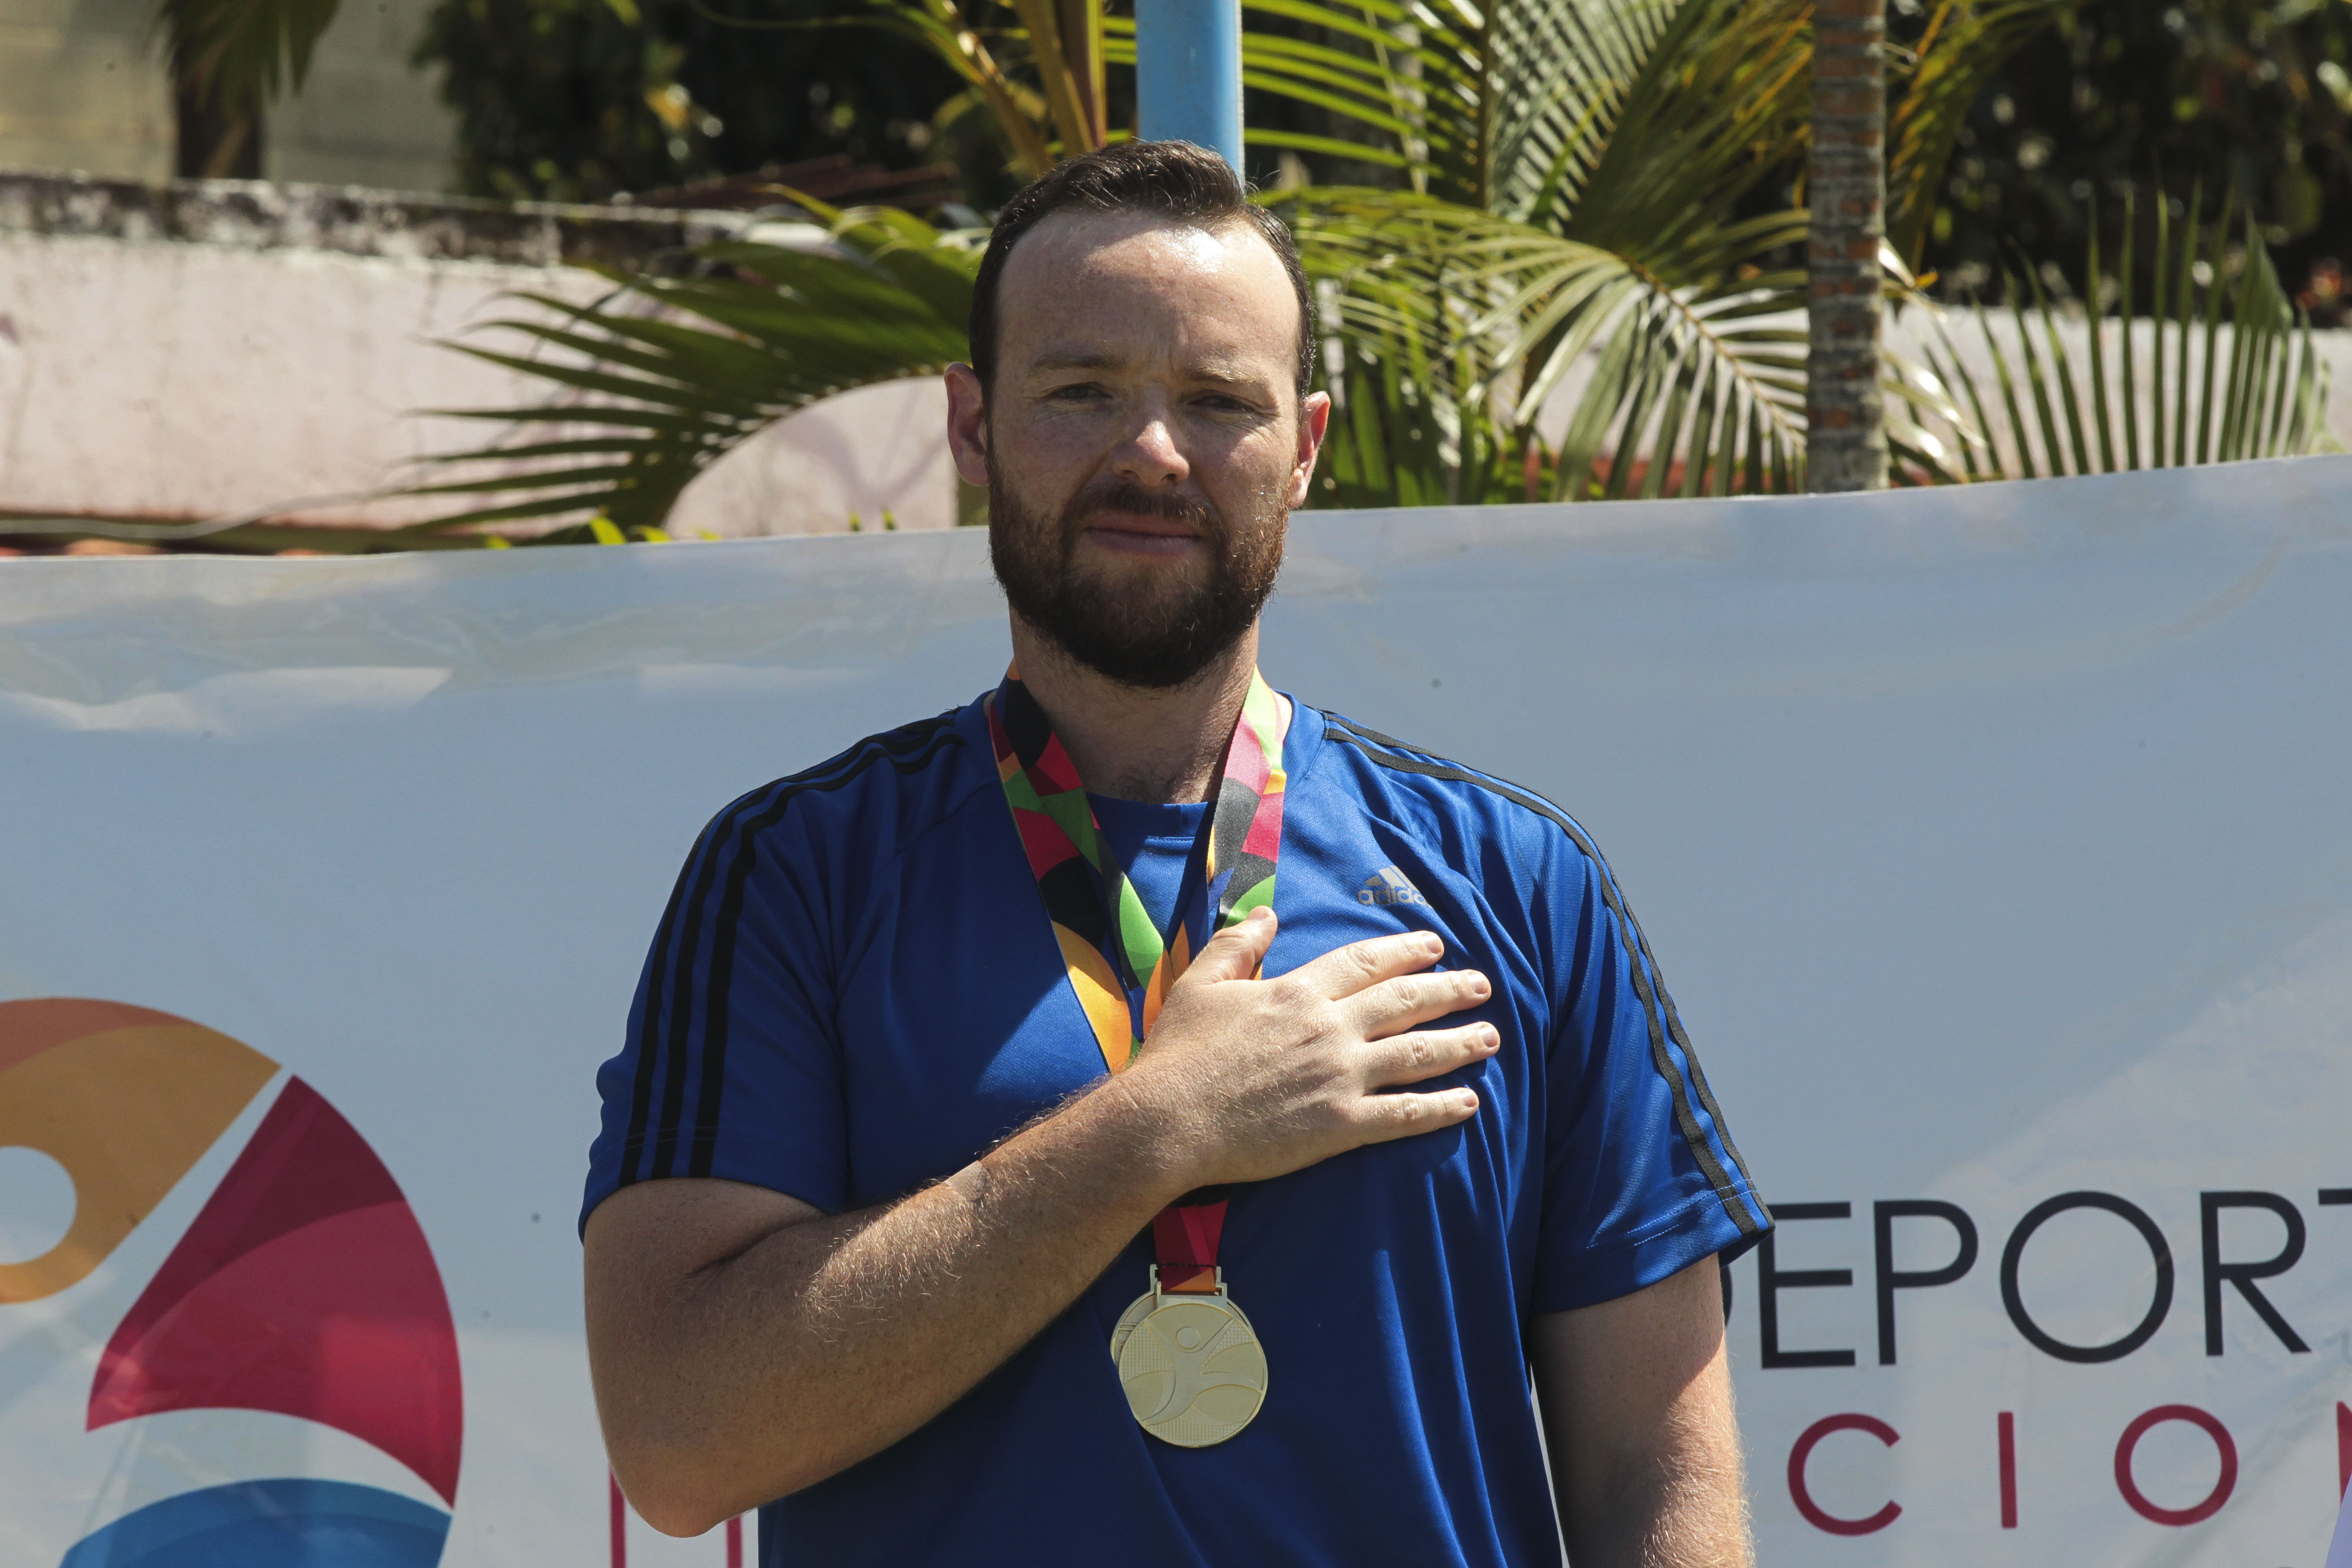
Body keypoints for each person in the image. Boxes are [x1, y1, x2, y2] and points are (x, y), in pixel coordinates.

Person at [581, 139, 1770, 1567]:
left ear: (1307, 447)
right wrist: (1163, 1125)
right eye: (1082, 392)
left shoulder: (1523, 882)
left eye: (1218, 402)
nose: (1154, 452)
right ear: (974, 425)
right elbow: (677, 1439)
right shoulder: (796, 872)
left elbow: (1660, 1468)